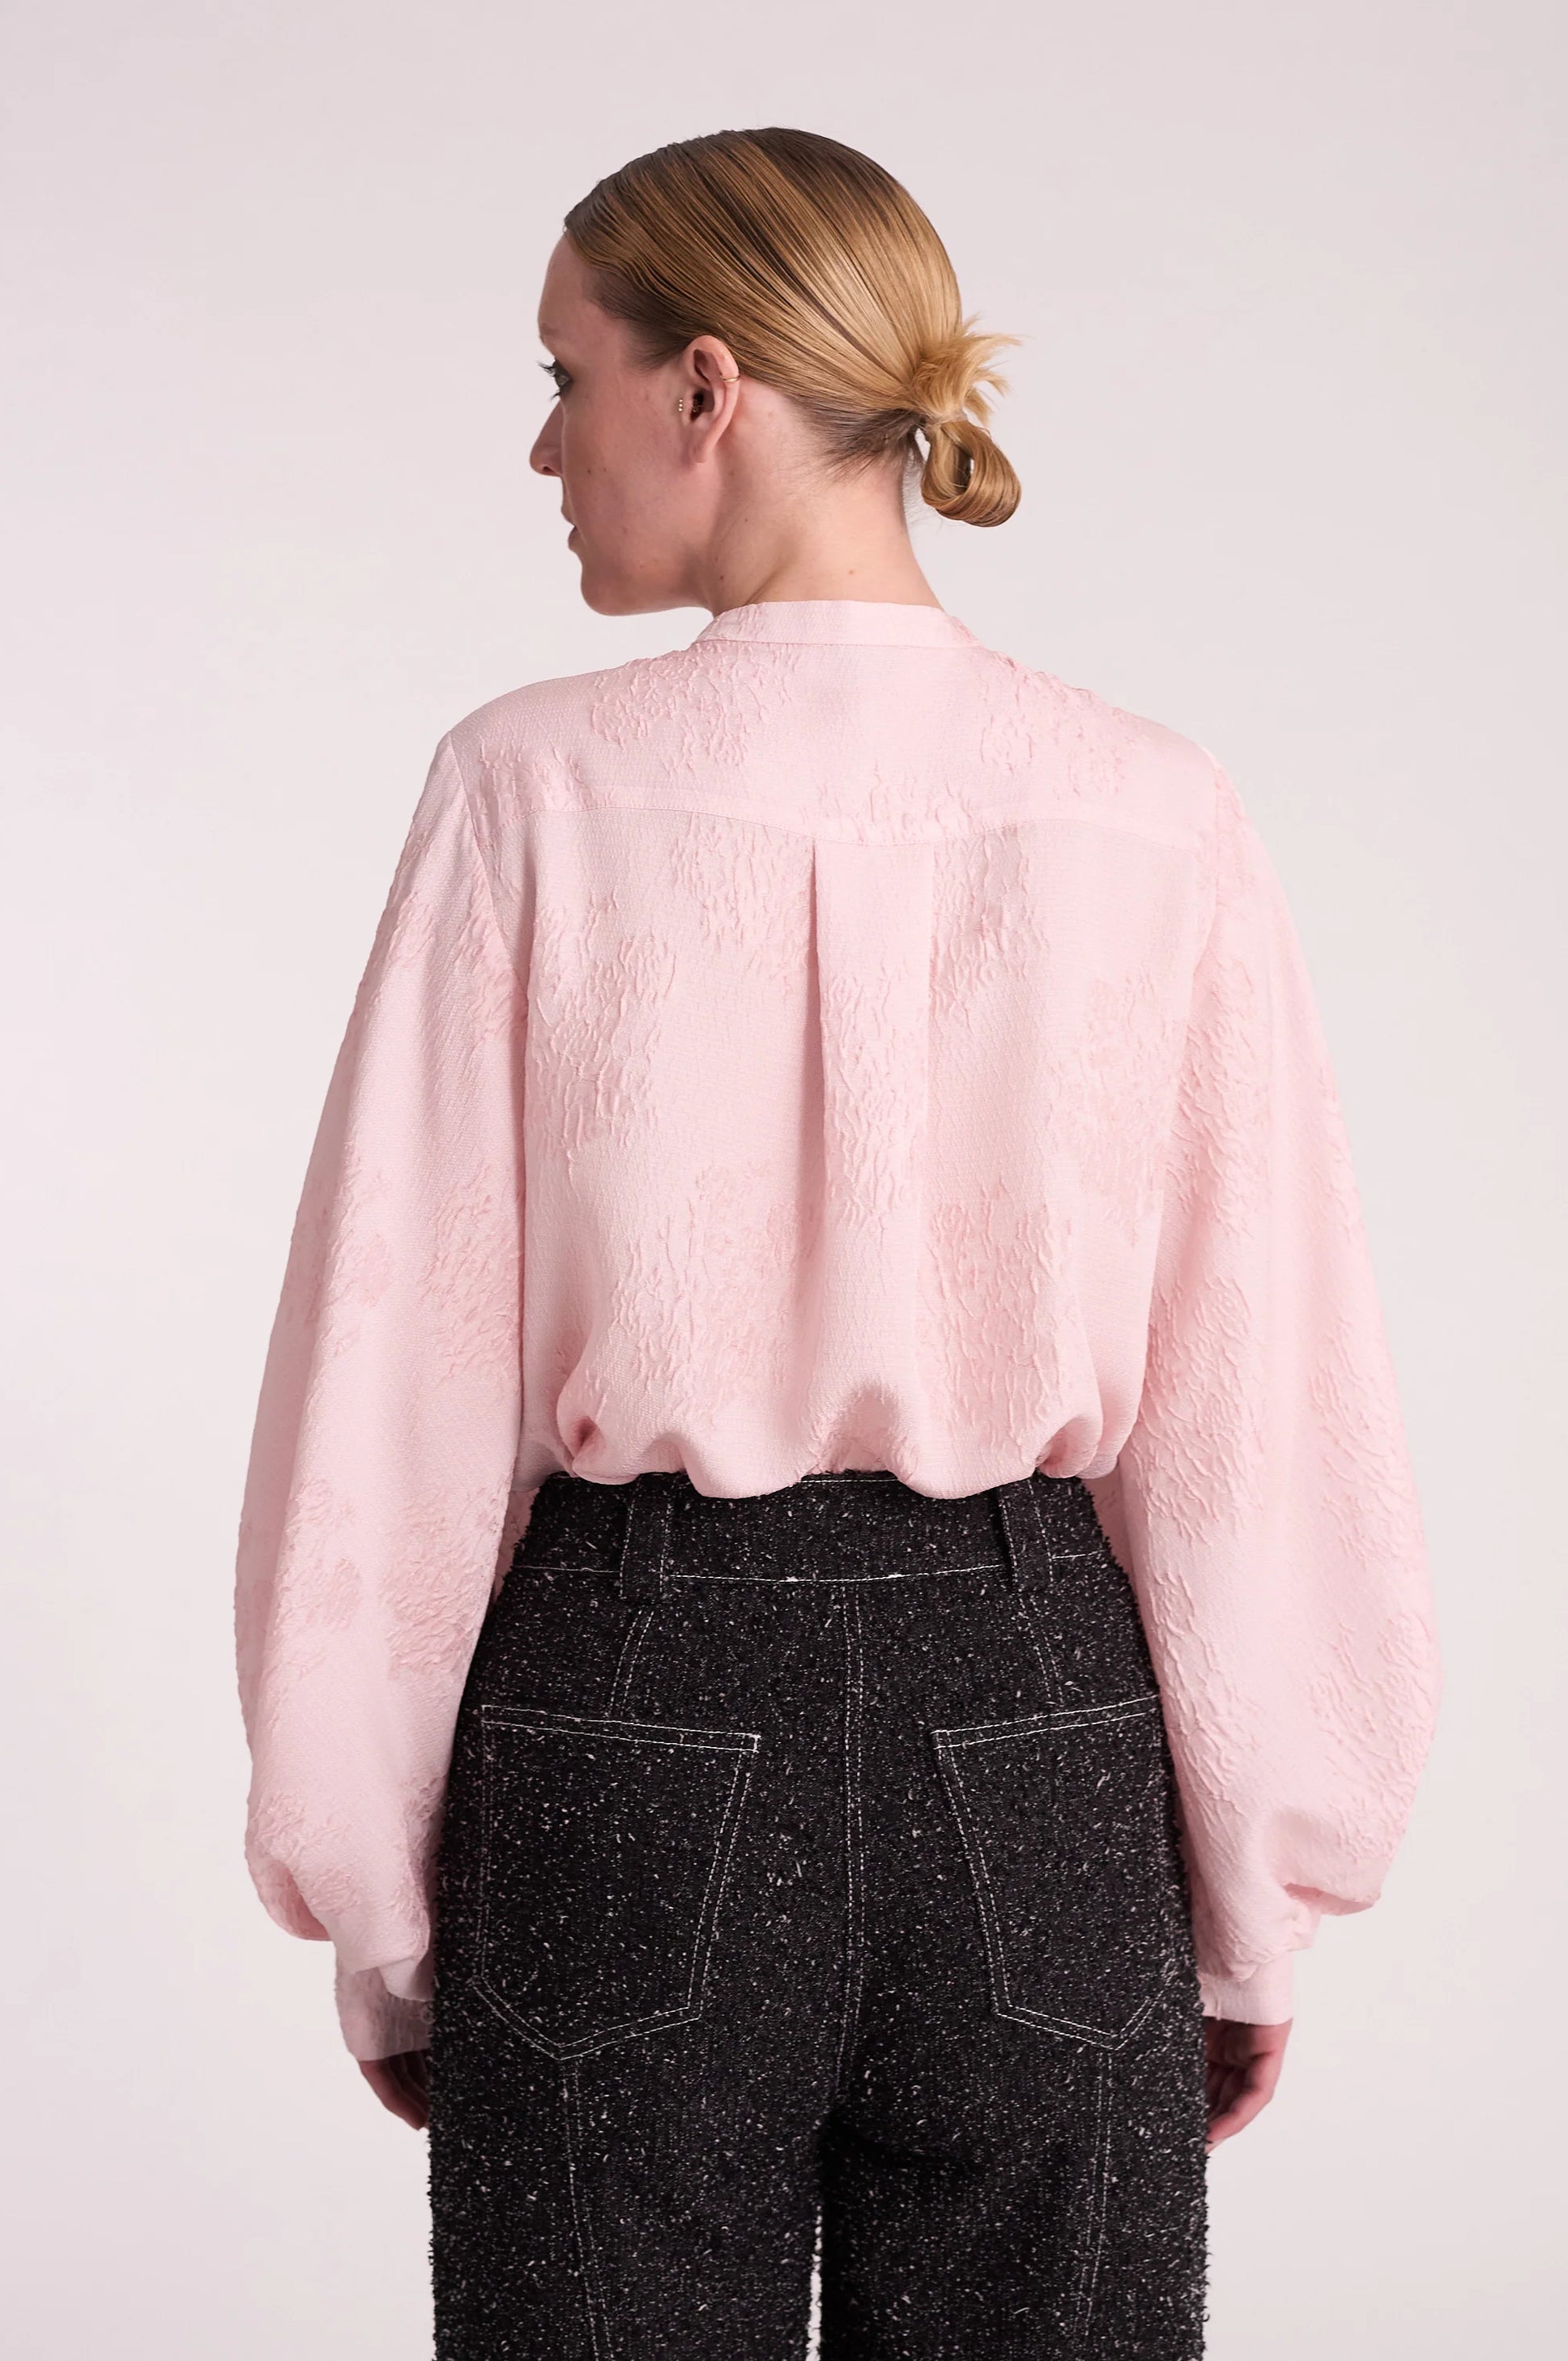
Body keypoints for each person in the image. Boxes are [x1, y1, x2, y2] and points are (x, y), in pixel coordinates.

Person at [233, 126, 1442, 2359]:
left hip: (626, 1709)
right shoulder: (1150, 806)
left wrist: (379, 1897)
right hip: (1041, 1724)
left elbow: (396, 1367)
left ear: (705, 386)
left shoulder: (531, 790)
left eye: (565, 377)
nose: (542, 447)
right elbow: (1260, 1389)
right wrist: (1251, 1895)